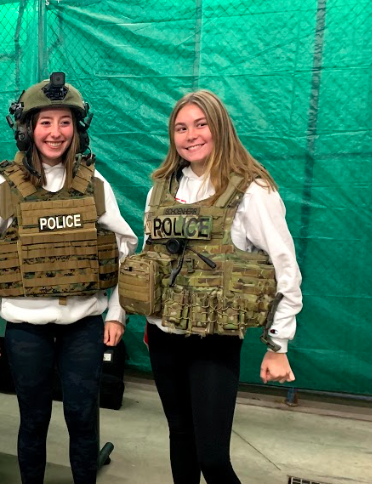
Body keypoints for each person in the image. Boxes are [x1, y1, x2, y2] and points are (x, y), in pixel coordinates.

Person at [0, 73, 138, 484]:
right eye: (45, 122)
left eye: (65, 122)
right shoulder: (5, 186)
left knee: (83, 418)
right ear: (28, 129)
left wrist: (116, 314)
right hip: (26, 328)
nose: (55, 132)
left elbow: (127, 248)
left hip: (84, 327)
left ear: (78, 129)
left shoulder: (93, 184)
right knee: (33, 419)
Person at [119, 89, 302, 484]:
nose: (191, 135)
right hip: (164, 335)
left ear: (219, 127)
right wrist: (136, 316)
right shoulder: (161, 189)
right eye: (181, 128)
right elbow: (149, 259)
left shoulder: (253, 192)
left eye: (201, 125)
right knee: (180, 438)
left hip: (214, 341)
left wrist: (277, 345)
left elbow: (287, 272)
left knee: (214, 458)